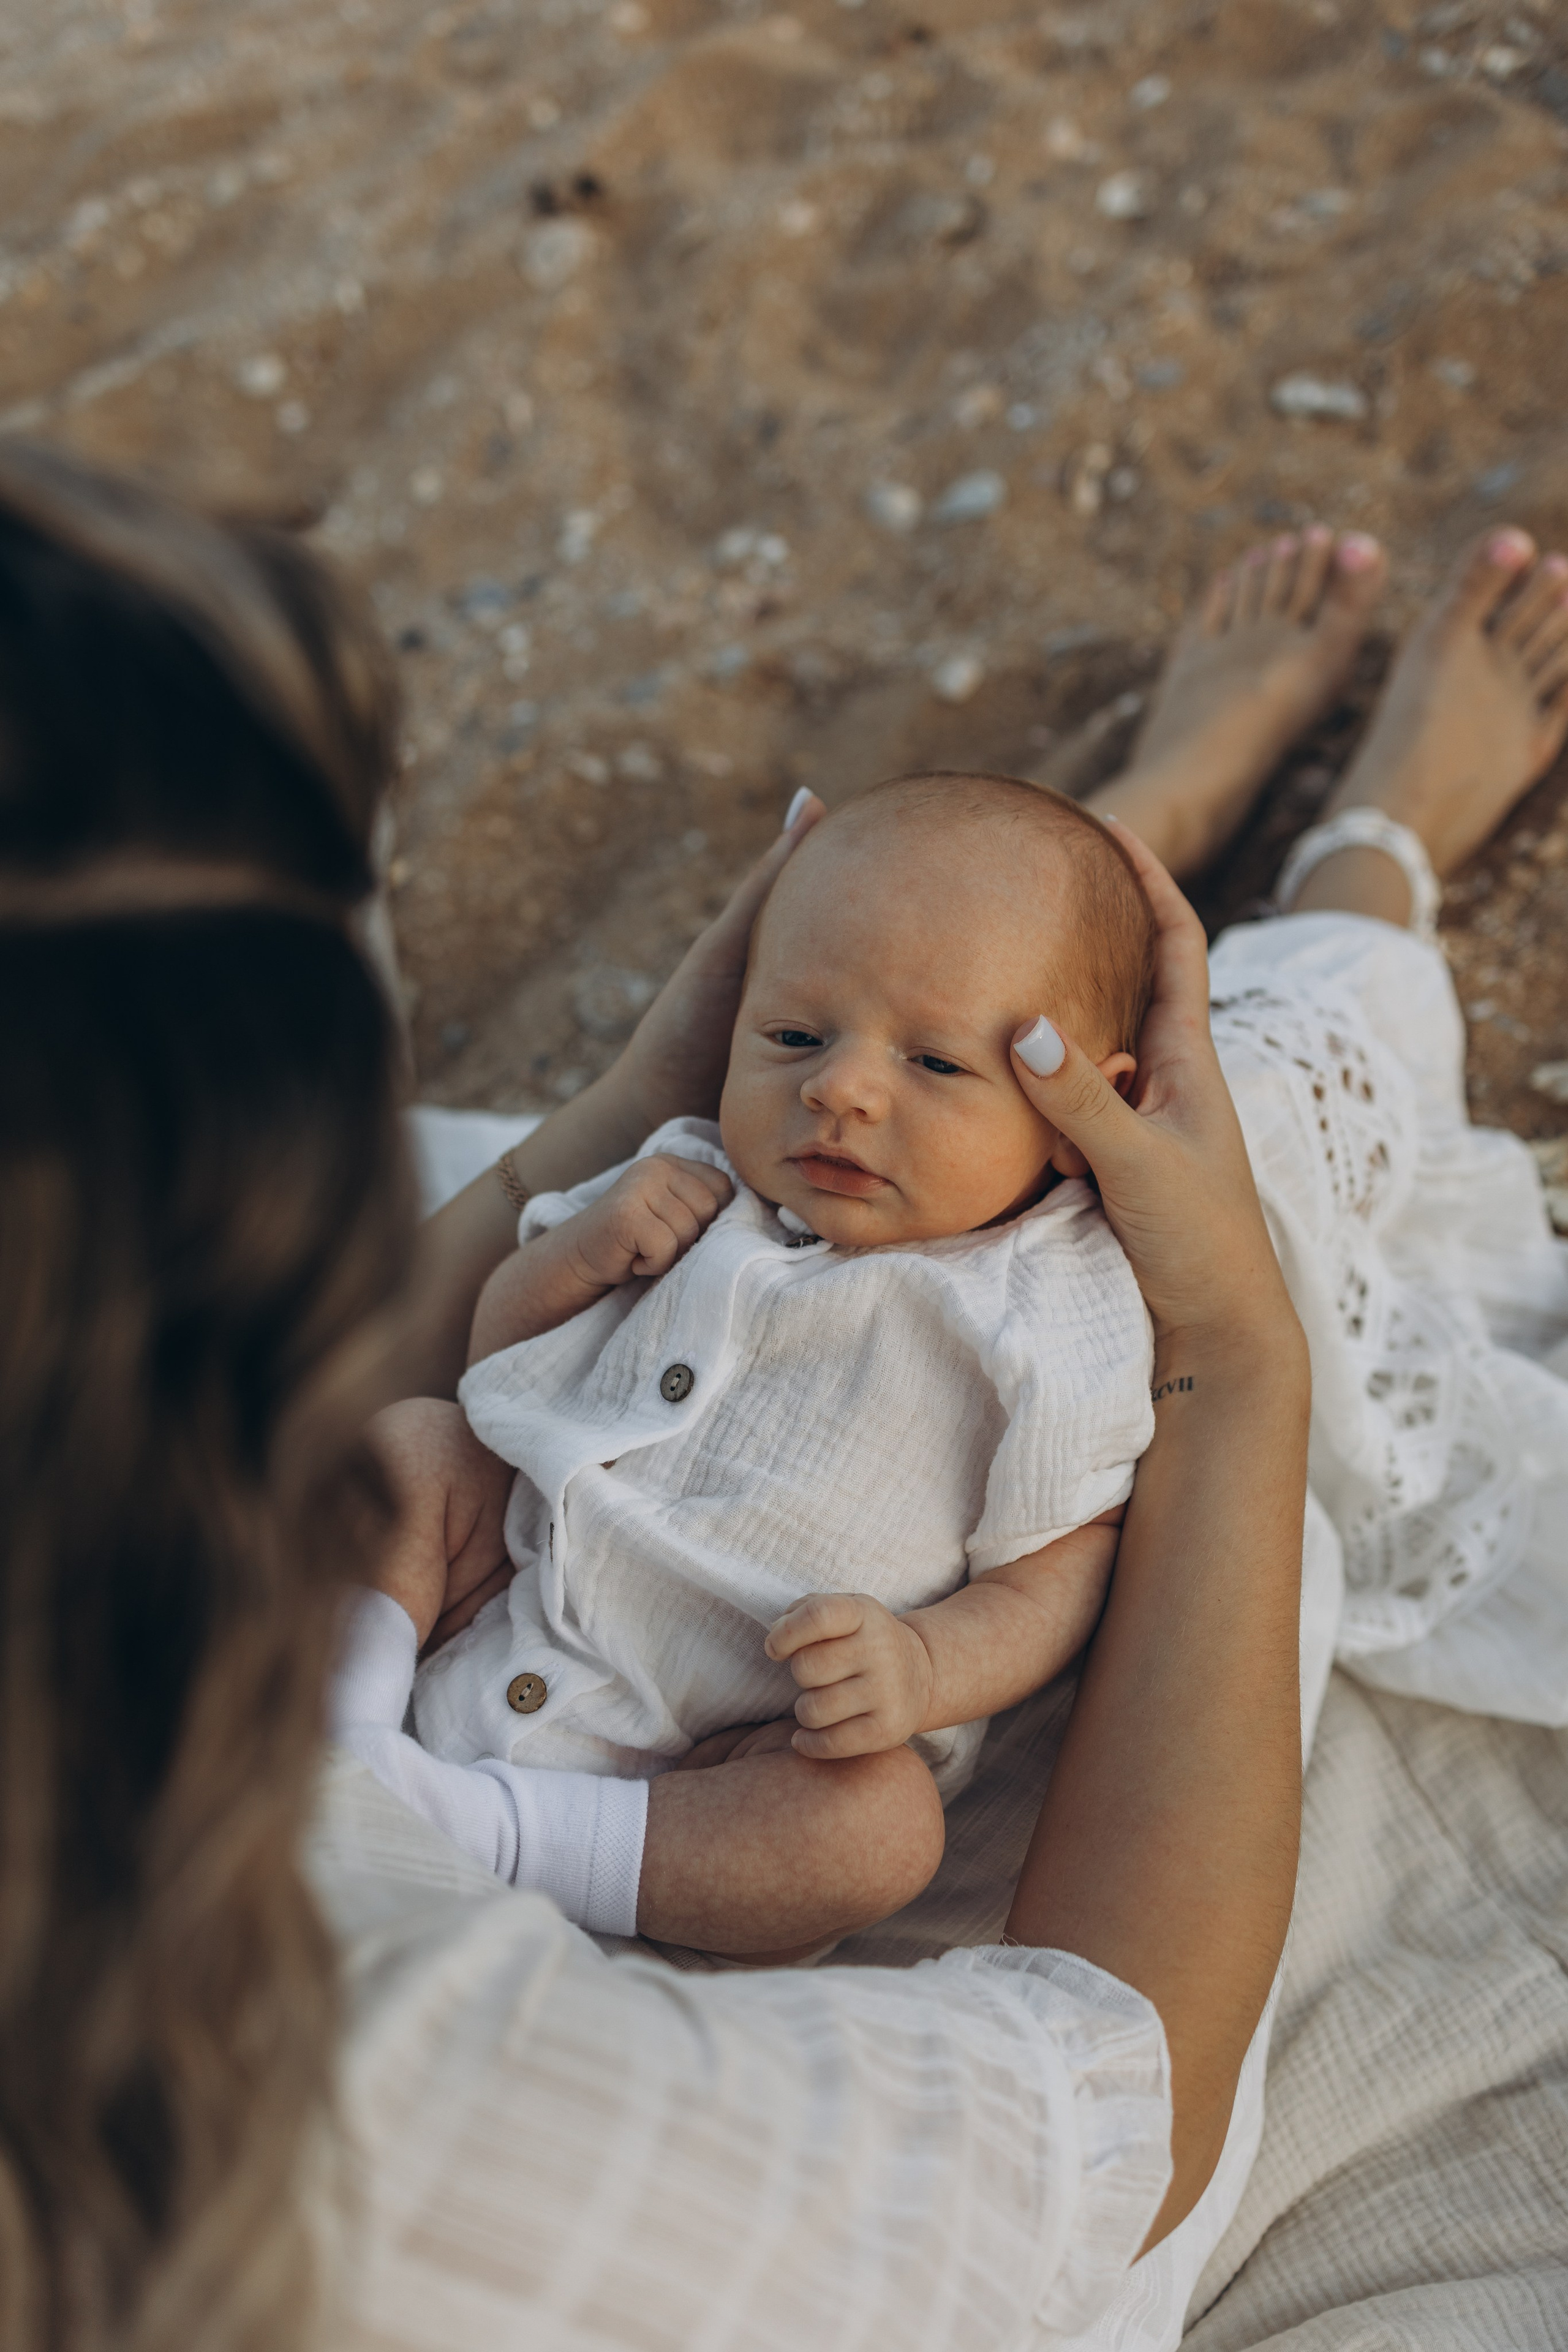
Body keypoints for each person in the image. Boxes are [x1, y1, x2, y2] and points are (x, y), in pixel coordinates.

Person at [0, 435, 1559, 2352]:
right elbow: (1107, 2117)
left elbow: (420, 1390)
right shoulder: (428, 2117)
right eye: (790, 1029)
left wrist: (633, 1125)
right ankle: (1357, 869)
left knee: (947, 995)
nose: (821, 1086)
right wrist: (1236, 1360)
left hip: (468, 1626)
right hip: (681, 1810)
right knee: (1273, 1164)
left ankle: (1071, 882)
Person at [341, 773, 1161, 1960]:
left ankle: (492, 1832)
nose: (838, 1088)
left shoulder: (1055, 1312)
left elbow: (1060, 1570)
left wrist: (926, 1666)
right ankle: (338, 1723)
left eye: (935, 1064)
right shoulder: (695, 1178)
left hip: (716, 1764)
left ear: (1085, 1112)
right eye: (792, 1037)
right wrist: (574, 1259)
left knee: (879, 1831)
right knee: (412, 1451)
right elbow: (501, 1382)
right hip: (496, 1598)